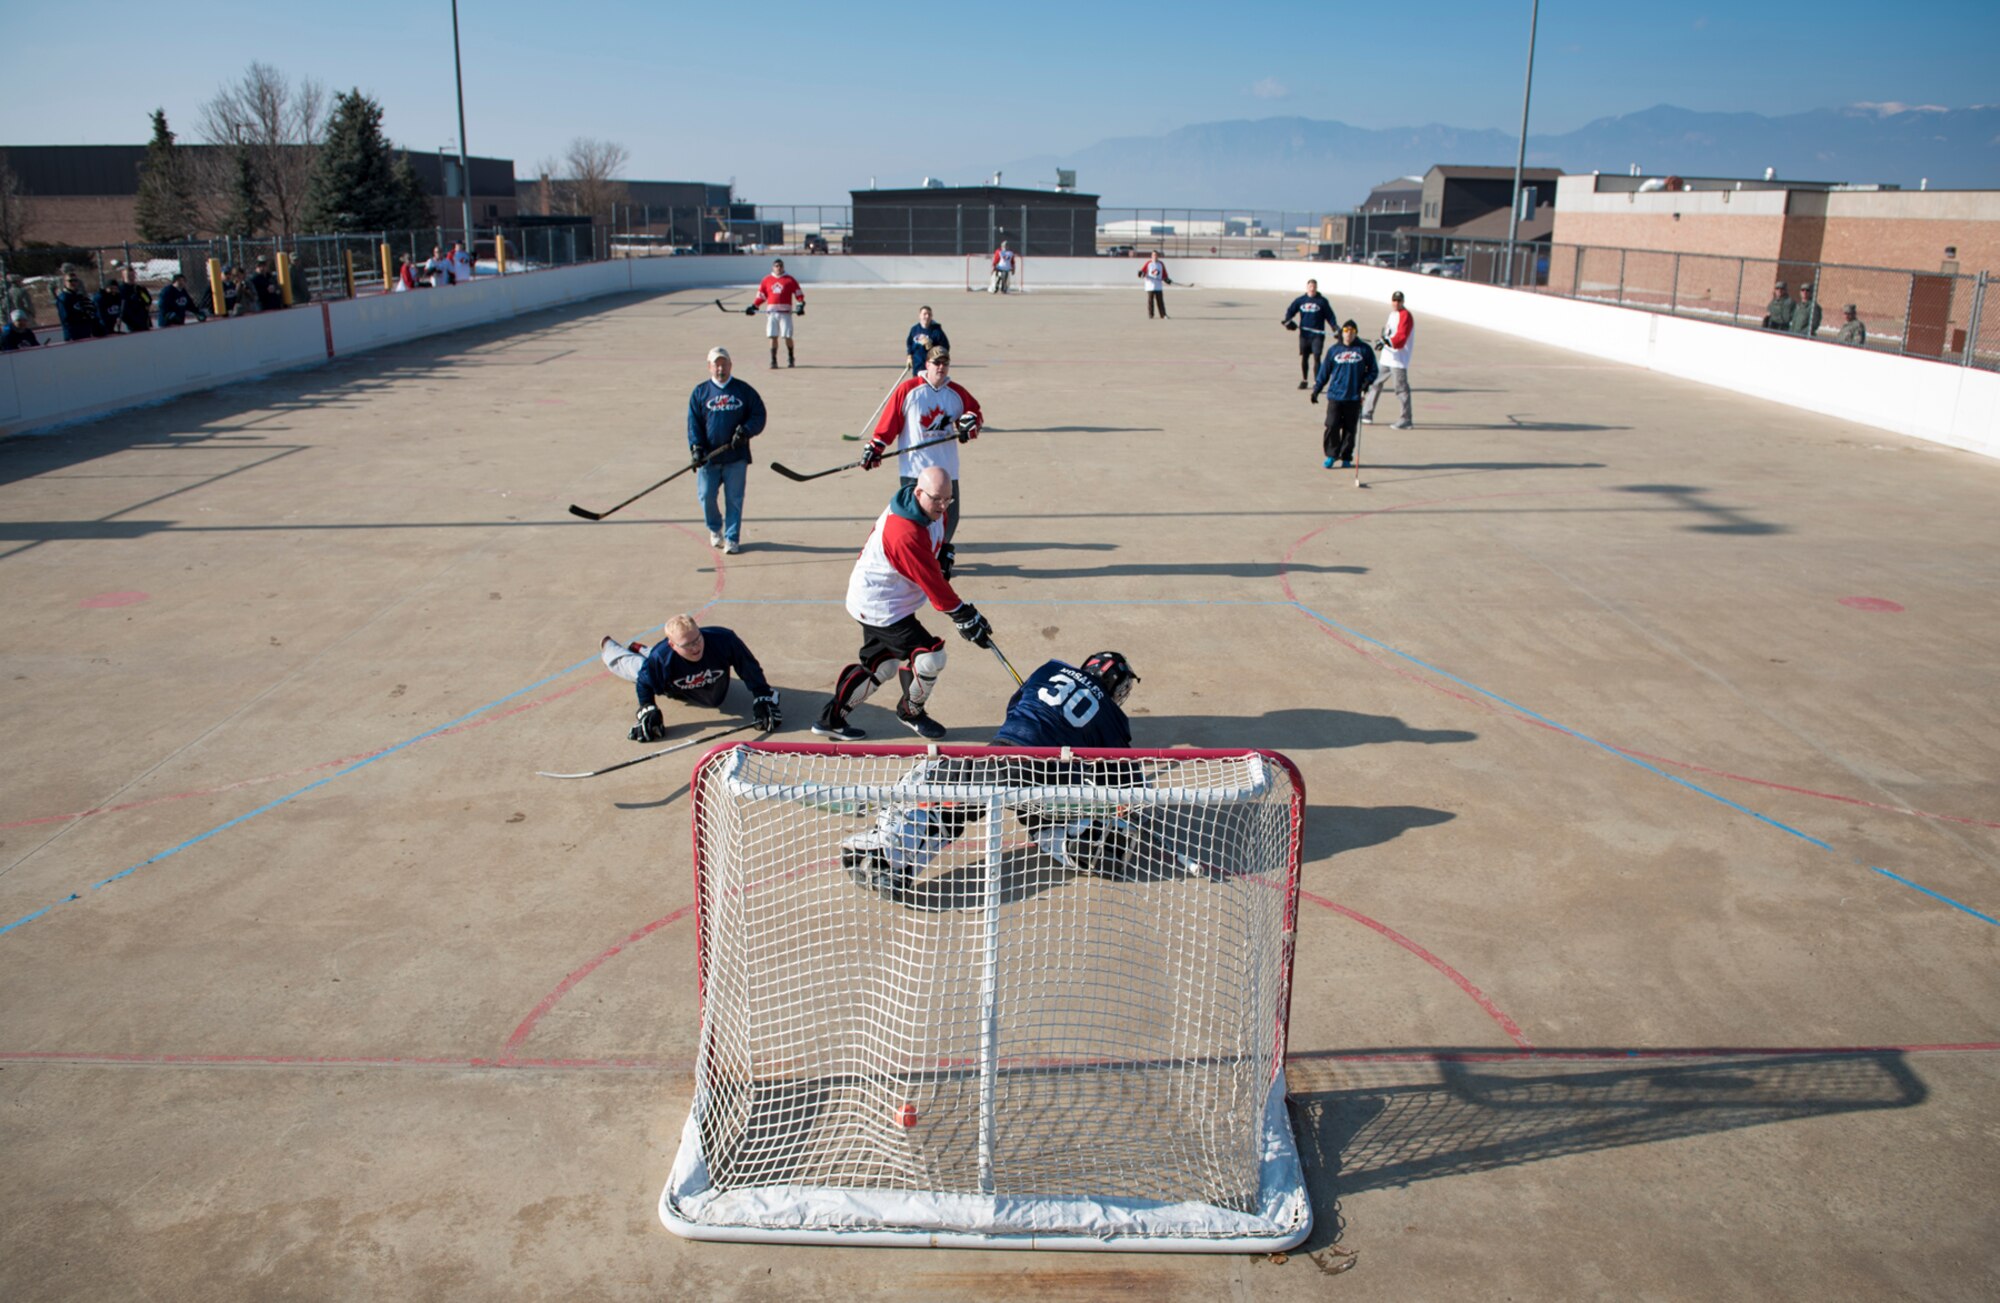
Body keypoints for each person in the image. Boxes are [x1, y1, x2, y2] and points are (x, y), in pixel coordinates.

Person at [838, 651, 1145, 898]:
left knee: (938, 788)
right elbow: (1123, 774)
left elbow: (1014, 707)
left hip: (1003, 759)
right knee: (1045, 817)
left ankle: (891, 853)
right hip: (1055, 782)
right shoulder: (1114, 717)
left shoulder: (1048, 668)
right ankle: (1080, 836)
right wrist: (1125, 805)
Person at [813, 464, 994, 742]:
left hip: (884, 600)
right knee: (931, 657)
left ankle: (830, 721)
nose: (944, 505)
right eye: (937, 499)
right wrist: (964, 615)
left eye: (949, 499)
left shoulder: (930, 507)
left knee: (881, 667)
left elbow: (938, 544)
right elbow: (934, 585)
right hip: (882, 606)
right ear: (919, 492)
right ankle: (910, 711)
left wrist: (943, 551)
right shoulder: (904, 533)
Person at [863, 346, 982, 578]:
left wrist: (971, 424)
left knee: (949, 517)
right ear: (926, 364)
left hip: (947, 471)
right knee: (914, 519)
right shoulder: (908, 390)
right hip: (915, 471)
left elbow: (974, 413)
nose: (940, 367)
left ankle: (939, 555)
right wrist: (876, 446)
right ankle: (918, 560)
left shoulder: (956, 393)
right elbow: (890, 423)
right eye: (936, 362)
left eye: (944, 363)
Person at [599, 613, 780, 741]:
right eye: (688, 645)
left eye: (697, 640)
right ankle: (610, 649)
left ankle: (641, 648)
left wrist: (762, 695)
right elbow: (644, 684)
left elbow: (748, 666)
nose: (695, 647)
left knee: (656, 659)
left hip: (697, 680)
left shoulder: (724, 640)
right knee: (637, 668)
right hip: (673, 686)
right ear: (672, 644)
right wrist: (648, 708)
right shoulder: (662, 659)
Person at [687, 345, 766, 555]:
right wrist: (696, 448)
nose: (720, 369)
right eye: (716, 365)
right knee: (706, 496)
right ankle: (715, 529)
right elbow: (693, 423)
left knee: (734, 499)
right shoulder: (700, 392)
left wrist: (746, 431)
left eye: (724, 364)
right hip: (709, 459)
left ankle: (732, 537)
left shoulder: (743, 390)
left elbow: (759, 414)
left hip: (736, 458)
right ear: (709, 367)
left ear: (730, 365)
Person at [1310, 320, 1378, 469]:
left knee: (1350, 429)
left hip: (1353, 397)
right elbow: (1324, 372)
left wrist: (1367, 382)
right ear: (1342, 333)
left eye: (1352, 332)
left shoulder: (1364, 349)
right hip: (1335, 395)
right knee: (1331, 425)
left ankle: (1346, 456)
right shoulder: (1334, 350)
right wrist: (1316, 389)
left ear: (1356, 333)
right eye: (1346, 331)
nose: (1349, 334)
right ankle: (1331, 455)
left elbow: (1373, 370)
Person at [1363, 289, 1415, 429]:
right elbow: (1388, 333)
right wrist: (1382, 341)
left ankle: (1406, 419)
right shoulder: (1392, 315)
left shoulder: (1406, 316)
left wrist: (1388, 342)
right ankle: (1367, 413)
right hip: (1386, 358)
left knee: (1401, 390)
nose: (1396, 303)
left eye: (1399, 301)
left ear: (1403, 302)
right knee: (1375, 383)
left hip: (1398, 359)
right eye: (1394, 300)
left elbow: (1401, 337)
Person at [746, 258, 805, 368]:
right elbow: (761, 296)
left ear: (783, 267)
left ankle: (791, 357)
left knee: (787, 336)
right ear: (773, 267)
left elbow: (798, 293)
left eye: (781, 266)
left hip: (785, 313)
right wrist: (754, 306)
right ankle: (773, 360)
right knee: (772, 336)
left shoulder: (790, 280)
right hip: (772, 313)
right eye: (776, 266)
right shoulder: (766, 280)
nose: (779, 268)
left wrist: (800, 305)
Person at [1282, 278, 1336, 389]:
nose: (1312, 289)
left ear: (1316, 288)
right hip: (1304, 335)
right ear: (1307, 287)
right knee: (1305, 357)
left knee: (1317, 357)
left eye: (1314, 287)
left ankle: (1317, 382)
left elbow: (1330, 316)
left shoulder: (1322, 301)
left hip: (1317, 335)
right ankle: (1304, 380)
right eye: (1310, 287)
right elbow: (1290, 311)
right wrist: (1288, 321)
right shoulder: (1301, 300)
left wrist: (1335, 328)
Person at [55, 268, 104, 341]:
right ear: (65, 283)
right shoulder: (63, 298)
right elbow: (66, 319)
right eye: (70, 281)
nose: (73, 283)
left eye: (75, 280)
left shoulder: (79, 296)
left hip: (85, 333)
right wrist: (82, 317)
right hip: (73, 335)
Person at [904, 305, 949, 376]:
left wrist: (931, 347)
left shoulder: (937, 331)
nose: (927, 316)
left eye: (929, 314)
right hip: (917, 365)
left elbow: (945, 348)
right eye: (924, 314)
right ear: (919, 316)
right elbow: (909, 343)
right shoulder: (914, 329)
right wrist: (909, 356)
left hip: (930, 367)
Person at [115, 266, 153, 333]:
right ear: (123, 276)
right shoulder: (120, 290)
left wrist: (140, 295)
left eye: (132, 275)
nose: (131, 278)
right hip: (128, 320)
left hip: (142, 318)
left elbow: (148, 300)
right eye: (128, 276)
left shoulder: (139, 289)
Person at [1137, 250, 1170, 319]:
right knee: (1150, 301)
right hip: (1150, 286)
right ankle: (1151, 315)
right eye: (1153, 255)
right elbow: (1142, 272)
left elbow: (1164, 274)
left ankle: (1163, 314)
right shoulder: (1148, 263)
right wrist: (1141, 273)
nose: (1155, 256)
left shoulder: (1161, 264)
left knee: (1160, 301)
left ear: (1158, 256)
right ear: (1151, 256)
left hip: (1158, 286)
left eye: (1156, 255)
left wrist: (1167, 279)